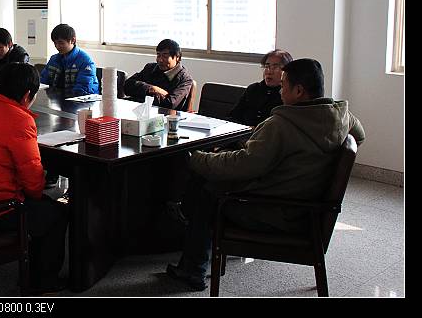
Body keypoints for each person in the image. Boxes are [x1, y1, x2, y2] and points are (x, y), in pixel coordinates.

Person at [165, 58, 365, 291]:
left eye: (284, 85)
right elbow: (359, 136)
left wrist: (197, 158)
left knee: (207, 191)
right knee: (210, 182)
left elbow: (243, 165)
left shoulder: (282, 125)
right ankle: (190, 250)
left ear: (299, 91)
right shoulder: (341, 116)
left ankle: (192, 269)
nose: (280, 91)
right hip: (308, 206)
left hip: (276, 211)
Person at [0, 62, 68, 294]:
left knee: (43, 206)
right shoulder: (19, 119)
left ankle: (32, 267)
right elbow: (33, 181)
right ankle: (42, 281)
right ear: (28, 95)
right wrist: (38, 194)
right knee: (55, 213)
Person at [124, 39, 194, 110]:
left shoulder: (185, 79)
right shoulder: (150, 68)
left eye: (165, 56)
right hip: (141, 110)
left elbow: (170, 104)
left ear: (177, 58)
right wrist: (151, 88)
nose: (160, 60)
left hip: (165, 115)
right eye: (158, 55)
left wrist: (141, 93)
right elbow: (127, 86)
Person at [229, 49, 293, 127]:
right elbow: (233, 116)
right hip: (243, 132)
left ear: (286, 72)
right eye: (267, 66)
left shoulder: (287, 94)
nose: (269, 72)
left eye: (275, 67)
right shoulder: (253, 89)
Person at [39, 23, 98, 97]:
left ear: (72, 40)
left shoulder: (85, 61)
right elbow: (43, 82)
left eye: (61, 43)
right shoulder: (54, 59)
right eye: (55, 43)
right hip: (58, 99)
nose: (57, 46)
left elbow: (83, 89)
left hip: (81, 101)